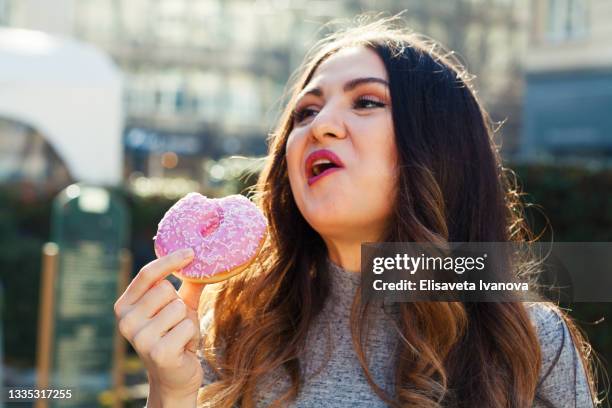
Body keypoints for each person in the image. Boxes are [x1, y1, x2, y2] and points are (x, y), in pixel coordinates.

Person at [114, 16, 600, 407]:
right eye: (305, 112)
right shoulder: (231, 328)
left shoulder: (530, 345)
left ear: (439, 147)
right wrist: (171, 391)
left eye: (366, 102)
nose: (321, 125)